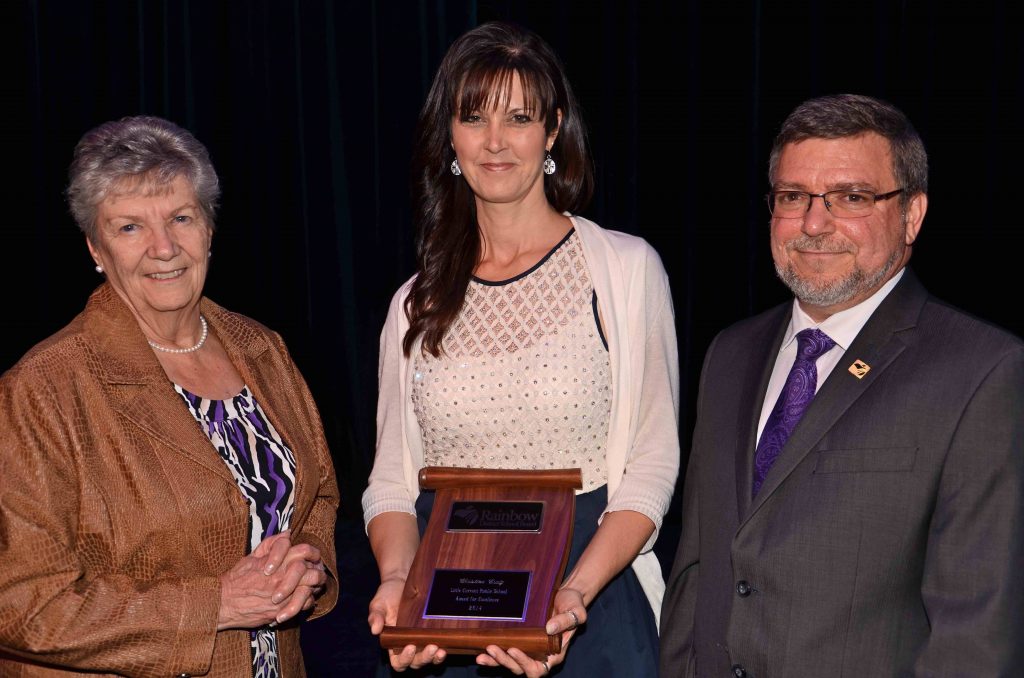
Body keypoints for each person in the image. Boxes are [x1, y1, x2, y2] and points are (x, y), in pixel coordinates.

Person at [659, 94, 1024, 676]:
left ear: (912, 214)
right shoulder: (730, 353)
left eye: (851, 198)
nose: (813, 223)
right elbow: (697, 570)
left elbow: (977, 631)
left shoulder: (982, 371)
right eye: (792, 197)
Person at [362, 21, 679, 678]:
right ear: (449, 135)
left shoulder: (622, 270)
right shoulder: (413, 304)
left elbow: (652, 466)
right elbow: (391, 482)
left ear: (553, 130)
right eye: (473, 116)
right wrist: (399, 582)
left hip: (590, 605)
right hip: (444, 611)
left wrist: (572, 595)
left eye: (520, 116)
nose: (496, 140)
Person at [0, 116, 339, 677]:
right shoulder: (44, 389)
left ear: (208, 228)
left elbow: (317, 499)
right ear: (96, 248)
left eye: (181, 218)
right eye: (130, 227)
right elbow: (21, 603)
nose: (164, 248)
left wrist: (310, 569)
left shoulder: (262, 350)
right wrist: (215, 606)